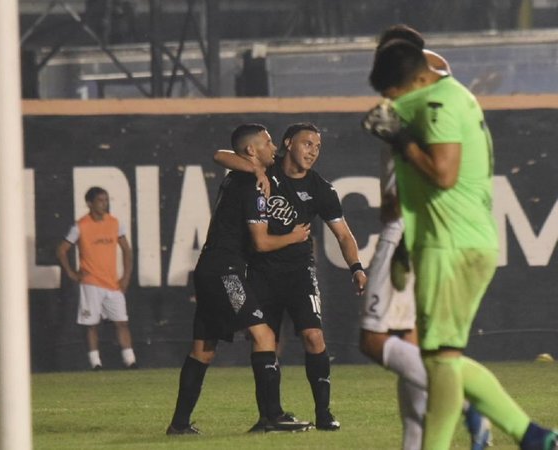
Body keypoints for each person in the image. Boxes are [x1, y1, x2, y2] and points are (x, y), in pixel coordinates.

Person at [363, 37, 557, 450]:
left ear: (416, 77)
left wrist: (400, 139)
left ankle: (520, 432)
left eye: (393, 94)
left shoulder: (439, 103)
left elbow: (444, 173)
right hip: (449, 239)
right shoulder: (449, 97)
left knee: (442, 364)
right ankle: (531, 436)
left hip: (450, 244)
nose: (391, 104)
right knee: (440, 360)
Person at [359, 25, 491, 450]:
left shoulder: (427, 83)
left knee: (375, 340)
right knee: (410, 342)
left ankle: (470, 402)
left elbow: (436, 164)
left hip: (409, 225)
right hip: (409, 220)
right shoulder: (417, 89)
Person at [214, 122, 368, 431]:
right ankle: (269, 415)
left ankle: (324, 412)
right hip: (260, 272)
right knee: (265, 342)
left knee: (313, 336)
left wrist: (356, 266)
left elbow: (344, 235)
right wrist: (256, 171)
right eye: (307, 143)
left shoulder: (321, 189)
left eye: (317, 146)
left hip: (299, 273)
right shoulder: (266, 171)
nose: (313, 151)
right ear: (287, 143)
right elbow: (219, 155)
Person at [166, 123, 312, 435]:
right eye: (268, 142)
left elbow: (221, 155)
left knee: (203, 349)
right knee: (264, 336)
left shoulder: (241, 176)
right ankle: (271, 417)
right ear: (251, 150)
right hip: (224, 272)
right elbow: (261, 243)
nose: (274, 148)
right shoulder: (250, 182)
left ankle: (179, 424)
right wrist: (295, 237)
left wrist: (256, 171)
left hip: (209, 268)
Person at [56, 186, 137, 370]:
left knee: (122, 322)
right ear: (90, 203)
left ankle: (130, 361)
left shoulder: (115, 223)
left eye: (106, 200)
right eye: (100, 201)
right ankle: (95, 363)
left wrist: (125, 277)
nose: (104, 204)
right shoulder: (80, 226)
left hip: (112, 283)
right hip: (91, 282)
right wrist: (70, 272)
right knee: (91, 324)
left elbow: (127, 251)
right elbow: (61, 250)